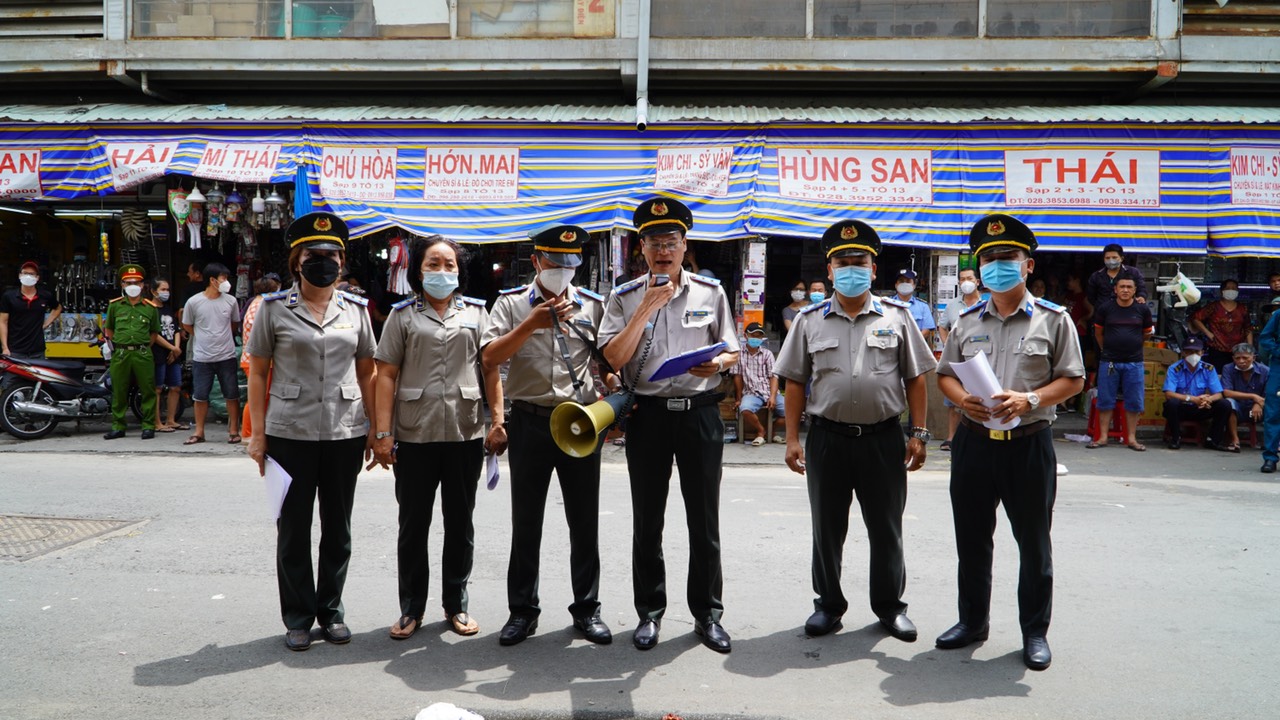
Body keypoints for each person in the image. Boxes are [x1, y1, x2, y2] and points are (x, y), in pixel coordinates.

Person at [935, 213, 1085, 671]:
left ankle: (1034, 633)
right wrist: (962, 400)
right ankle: (971, 622)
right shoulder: (965, 321)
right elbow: (945, 375)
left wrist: (1030, 398)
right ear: (979, 268)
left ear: (1028, 265)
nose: (997, 265)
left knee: (1034, 544)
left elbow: (1073, 379)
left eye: (1008, 257)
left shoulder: (1054, 320)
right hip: (974, 442)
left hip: (1029, 444)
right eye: (989, 259)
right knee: (972, 539)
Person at [774, 219, 935, 643]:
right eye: (842, 263)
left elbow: (916, 377)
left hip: (884, 438)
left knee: (887, 528)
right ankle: (828, 605)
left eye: (859, 262)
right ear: (829, 271)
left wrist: (919, 433)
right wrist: (791, 440)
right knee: (827, 530)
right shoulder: (808, 320)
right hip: (827, 438)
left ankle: (890, 606)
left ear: (873, 268)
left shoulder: (898, 317)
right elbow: (794, 382)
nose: (851, 269)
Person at [598, 197, 740, 653]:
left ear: (684, 246)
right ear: (641, 248)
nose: (663, 250)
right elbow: (612, 358)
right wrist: (646, 307)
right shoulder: (624, 297)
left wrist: (718, 363)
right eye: (654, 242)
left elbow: (732, 349)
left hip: (699, 413)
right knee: (648, 521)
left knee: (705, 521)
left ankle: (708, 615)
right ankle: (650, 612)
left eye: (671, 242)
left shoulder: (710, 293)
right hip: (649, 417)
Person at [245, 212, 378, 652]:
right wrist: (258, 435)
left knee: (338, 528)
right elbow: (258, 373)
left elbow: (368, 371)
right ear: (296, 262)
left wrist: (376, 427)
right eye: (313, 254)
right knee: (293, 530)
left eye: (331, 255)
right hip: (289, 433)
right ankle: (299, 617)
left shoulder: (356, 310)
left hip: (344, 432)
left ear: (341, 262)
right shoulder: (272, 309)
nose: (323, 261)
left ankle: (331, 612)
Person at [480, 224, 614, 647]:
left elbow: (607, 361)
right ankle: (522, 611)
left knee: (584, 521)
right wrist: (530, 325)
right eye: (554, 262)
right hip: (530, 421)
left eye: (570, 263)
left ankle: (587, 609)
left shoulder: (593, 305)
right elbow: (489, 358)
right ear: (537, 261)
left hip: (579, 421)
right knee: (526, 522)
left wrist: (613, 388)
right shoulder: (510, 304)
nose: (562, 269)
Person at [370, 235, 504, 643]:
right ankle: (411, 608)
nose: (442, 271)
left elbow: (491, 369)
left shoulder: (476, 313)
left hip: (465, 432)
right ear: (418, 270)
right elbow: (385, 375)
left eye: (449, 265)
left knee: (460, 524)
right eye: (433, 264)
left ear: (459, 272)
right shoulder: (402, 316)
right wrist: (382, 433)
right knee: (413, 525)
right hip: (414, 434)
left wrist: (498, 420)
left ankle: (456, 604)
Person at [102, 265, 177, 441]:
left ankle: (148, 426)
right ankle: (118, 426)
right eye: (128, 283)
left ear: (143, 285)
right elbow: (109, 330)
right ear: (122, 285)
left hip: (142, 353)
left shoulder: (150, 307)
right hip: (121, 353)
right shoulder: (115, 306)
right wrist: (118, 345)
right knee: (119, 391)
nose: (132, 286)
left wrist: (142, 346)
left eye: (136, 282)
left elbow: (154, 333)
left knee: (148, 390)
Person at [1089, 274, 1154, 451]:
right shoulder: (1105, 308)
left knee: (1134, 401)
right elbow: (1098, 333)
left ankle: (1131, 439)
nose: (1125, 290)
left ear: (1135, 290)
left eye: (1129, 287)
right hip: (1109, 361)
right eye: (1122, 287)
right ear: (1115, 289)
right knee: (1105, 400)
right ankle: (1102, 437)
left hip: (1134, 362)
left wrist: (1133, 344)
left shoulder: (1142, 310)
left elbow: (1147, 333)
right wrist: (1106, 350)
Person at [182, 262, 242, 445]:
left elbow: (234, 324)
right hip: (202, 357)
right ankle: (199, 432)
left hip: (226, 355)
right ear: (212, 280)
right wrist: (202, 335)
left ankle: (233, 430)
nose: (226, 282)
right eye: (223, 278)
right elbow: (187, 325)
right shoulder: (194, 302)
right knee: (200, 396)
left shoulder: (231, 301)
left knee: (232, 394)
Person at [938, 267, 985, 450]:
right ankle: (951, 438)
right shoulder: (952, 306)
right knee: (953, 401)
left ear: (977, 282)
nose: (966, 282)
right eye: (962, 279)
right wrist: (947, 345)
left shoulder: (987, 303)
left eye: (969, 278)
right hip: (958, 359)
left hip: (981, 358)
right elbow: (942, 326)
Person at [1162, 336, 1232, 451]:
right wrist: (1192, 399)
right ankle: (1175, 439)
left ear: (1202, 353)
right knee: (1171, 403)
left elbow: (1219, 393)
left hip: (1201, 407)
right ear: (1183, 353)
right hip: (1182, 407)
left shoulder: (1209, 369)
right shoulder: (1174, 369)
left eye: (1196, 352)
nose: (1193, 355)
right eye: (1189, 352)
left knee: (1225, 404)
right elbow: (1169, 394)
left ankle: (1213, 440)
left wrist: (1208, 400)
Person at [238, 274, 283, 438]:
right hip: (259, 359)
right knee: (257, 398)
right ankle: (248, 433)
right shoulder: (263, 305)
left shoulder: (254, 303)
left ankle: (251, 432)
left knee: (258, 397)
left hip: (252, 358)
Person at [732, 321, 785, 445]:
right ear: (746, 336)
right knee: (745, 409)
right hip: (751, 393)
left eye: (759, 336)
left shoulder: (767, 354)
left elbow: (773, 377)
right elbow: (737, 377)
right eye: (753, 335)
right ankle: (761, 431)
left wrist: (773, 396)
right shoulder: (738, 354)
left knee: (794, 414)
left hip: (769, 391)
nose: (756, 338)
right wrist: (738, 399)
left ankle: (771, 431)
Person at [1, 261, 62, 361]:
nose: (28, 276)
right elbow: (3, 322)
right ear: (20, 275)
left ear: (37, 277)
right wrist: (5, 347)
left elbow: (57, 308)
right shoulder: (9, 296)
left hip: (37, 351)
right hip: (15, 351)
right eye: (25, 273)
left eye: (32, 274)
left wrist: (45, 324)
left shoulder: (45, 295)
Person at [149, 277, 186, 433]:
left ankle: (171, 420)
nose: (166, 292)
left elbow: (176, 330)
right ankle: (157, 423)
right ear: (153, 291)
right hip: (158, 353)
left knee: (175, 386)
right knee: (157, 389)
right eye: (163, 289)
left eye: (167, 289)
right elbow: (154, 334)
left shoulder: (168, 309)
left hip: (173, 354)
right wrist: (172, 348)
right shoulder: (149, 309)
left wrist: (176, 348)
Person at [1189, 279, 1252, 371]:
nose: (1231, 290)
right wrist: (1208, 333)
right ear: (1222, 291)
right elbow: (1195, 318)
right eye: (1228, 288)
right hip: (1217, 348)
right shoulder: (1213, 307)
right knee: (1217, 373)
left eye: (1234, 288)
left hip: (1238, 350)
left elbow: (1248, 328)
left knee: (1237, 374)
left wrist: (1249, 348)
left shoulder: (1242, 309)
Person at [1221, 343, 1267, 453]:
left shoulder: (1265, 370)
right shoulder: (1228, 368)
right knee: (1228, 403)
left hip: (1259, 409)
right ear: (1233, 358)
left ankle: (1272, 441)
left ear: (1253, 357)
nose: (1241, 361)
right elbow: (1226, 392)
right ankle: (1235, 440)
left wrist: (1258, 404)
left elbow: (1268, 394)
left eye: (1245, 358)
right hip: (1238, 409)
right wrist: (1253, 396)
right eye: (1238, 358)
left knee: (1275, 405)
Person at [1086, 243, 1148, 311]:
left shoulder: (1133, 272)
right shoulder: (1096, 276)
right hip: (1103, 313)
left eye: (1114, 257)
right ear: (1104, 259)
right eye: (1107, 258)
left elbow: (1141, 288)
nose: (1111, 260)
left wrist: (1141, 297)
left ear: (1121, 258)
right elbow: (1091, 297)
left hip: (1127, 311)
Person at [892, 269, 935, 344]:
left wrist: (910, 344)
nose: (904, 284)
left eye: (908, 281)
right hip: (892, 346)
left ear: (914, 285)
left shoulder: (923, 307)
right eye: (901, 281)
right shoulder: (886, 304)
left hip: (915, 346)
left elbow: (927, 330)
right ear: (896, 285)